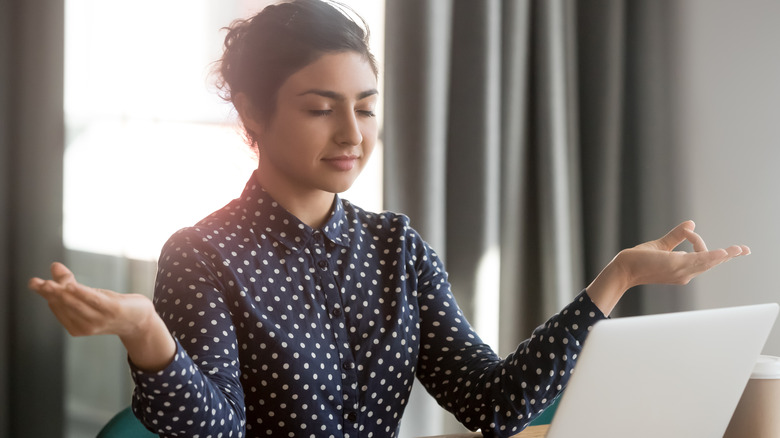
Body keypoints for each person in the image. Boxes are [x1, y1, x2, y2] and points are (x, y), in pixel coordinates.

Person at [29, 1, 750, 437]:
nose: (352, 133)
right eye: (320, 108)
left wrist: (616, 278)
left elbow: (493, 405)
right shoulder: (203, 253)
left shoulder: (395, 247)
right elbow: (216, 433)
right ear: (252, 112)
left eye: (366, 106)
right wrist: (146, 334)